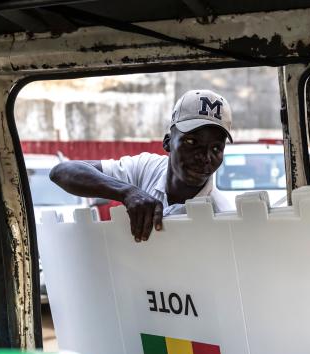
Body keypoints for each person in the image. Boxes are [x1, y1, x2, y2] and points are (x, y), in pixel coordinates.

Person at [50, 89, 233, 242]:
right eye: (192, 142)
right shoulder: (146, 167)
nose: (205, 157)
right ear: (167, 142)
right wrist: (127, 192)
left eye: (216, 148)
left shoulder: (221, 215)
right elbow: (62, 172)